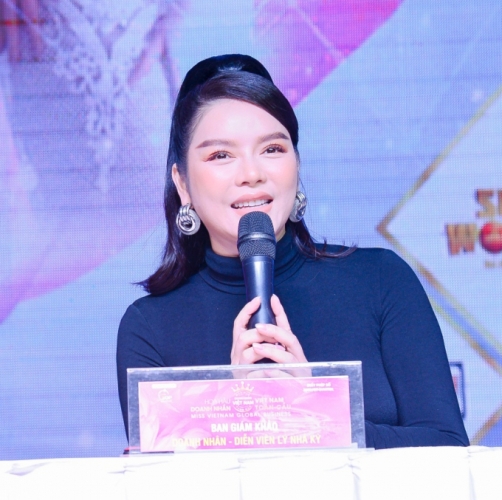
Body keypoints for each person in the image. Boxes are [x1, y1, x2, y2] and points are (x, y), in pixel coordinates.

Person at [116, 54, 469, 449]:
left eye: (272, 149)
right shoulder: (150, 328)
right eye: (221, 155)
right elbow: (159, 478)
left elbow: (448, 450)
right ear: (182, 183)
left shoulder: (381, 280)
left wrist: (313, 414)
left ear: (296, 165)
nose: (252, 174)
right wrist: (235, 408)